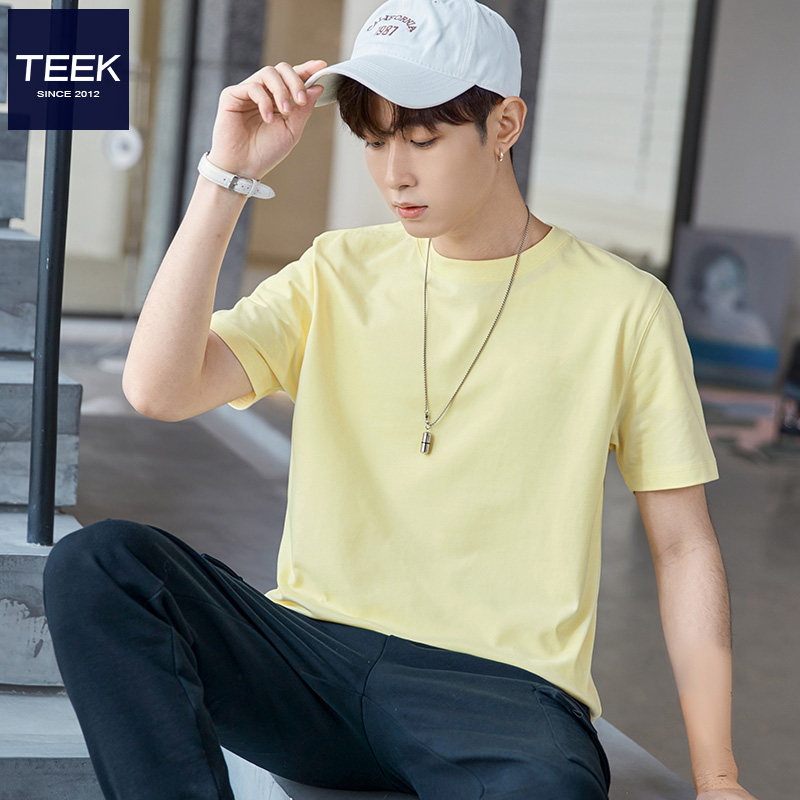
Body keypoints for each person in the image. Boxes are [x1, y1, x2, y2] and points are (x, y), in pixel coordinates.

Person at [43, 2, 756, 799]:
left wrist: (718, 776)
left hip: (496, 693)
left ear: (505, 124)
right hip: (311, 662)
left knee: (550, 790)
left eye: (422, 139)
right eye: (376, 140)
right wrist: (225, 176)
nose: (394, 175)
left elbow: (684, 548)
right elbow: (156, 389)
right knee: (99, 567)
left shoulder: (623, 307)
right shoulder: (336, 270)